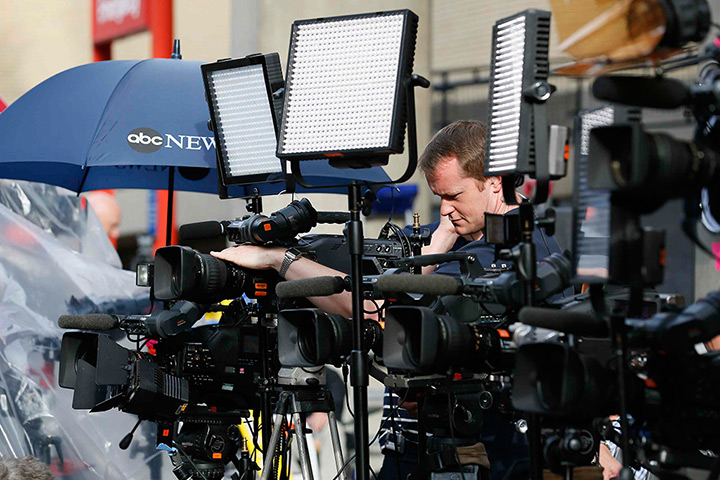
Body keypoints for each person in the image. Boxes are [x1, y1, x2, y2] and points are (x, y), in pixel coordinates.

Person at [210, 120, 569, 479]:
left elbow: (374, 308)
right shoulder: (459, 233)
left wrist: (280, 259)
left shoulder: (512, 253)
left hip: (480, 456)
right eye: (439, 198)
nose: (444, 210)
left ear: (494, 182)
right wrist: (442, 239)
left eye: (452, 196)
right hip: (415, 447)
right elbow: (390, 280)